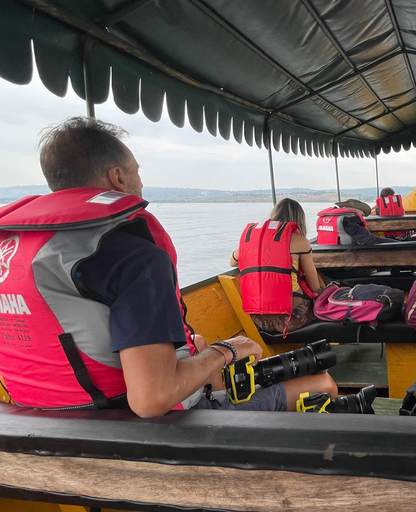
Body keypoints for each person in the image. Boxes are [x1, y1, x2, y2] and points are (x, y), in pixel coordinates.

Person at [0, 117, 336, 418]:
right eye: (136, 172)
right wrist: (229, 349)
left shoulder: (17, 251)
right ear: (118, 177)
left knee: (200, 341)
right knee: (323, 383)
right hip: (144, 432)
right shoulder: (133, 256)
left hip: (42, 421)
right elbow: (152, 399)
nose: (140, 183)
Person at [230, 198, 320, 333]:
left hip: (258, 319)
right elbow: (315, 286)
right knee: (323, 297)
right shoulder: (300, 242)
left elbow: (232, 262)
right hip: (292, 318)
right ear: (299, 220)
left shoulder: (254, 239)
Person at [316, 199, 395, 245]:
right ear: (357, 211)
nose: (362, 217)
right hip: (347, 266)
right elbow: (368, 239)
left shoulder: (324, 217)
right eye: (362, 214)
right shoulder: (350, 219)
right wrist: (396, 243)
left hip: (326, 265)